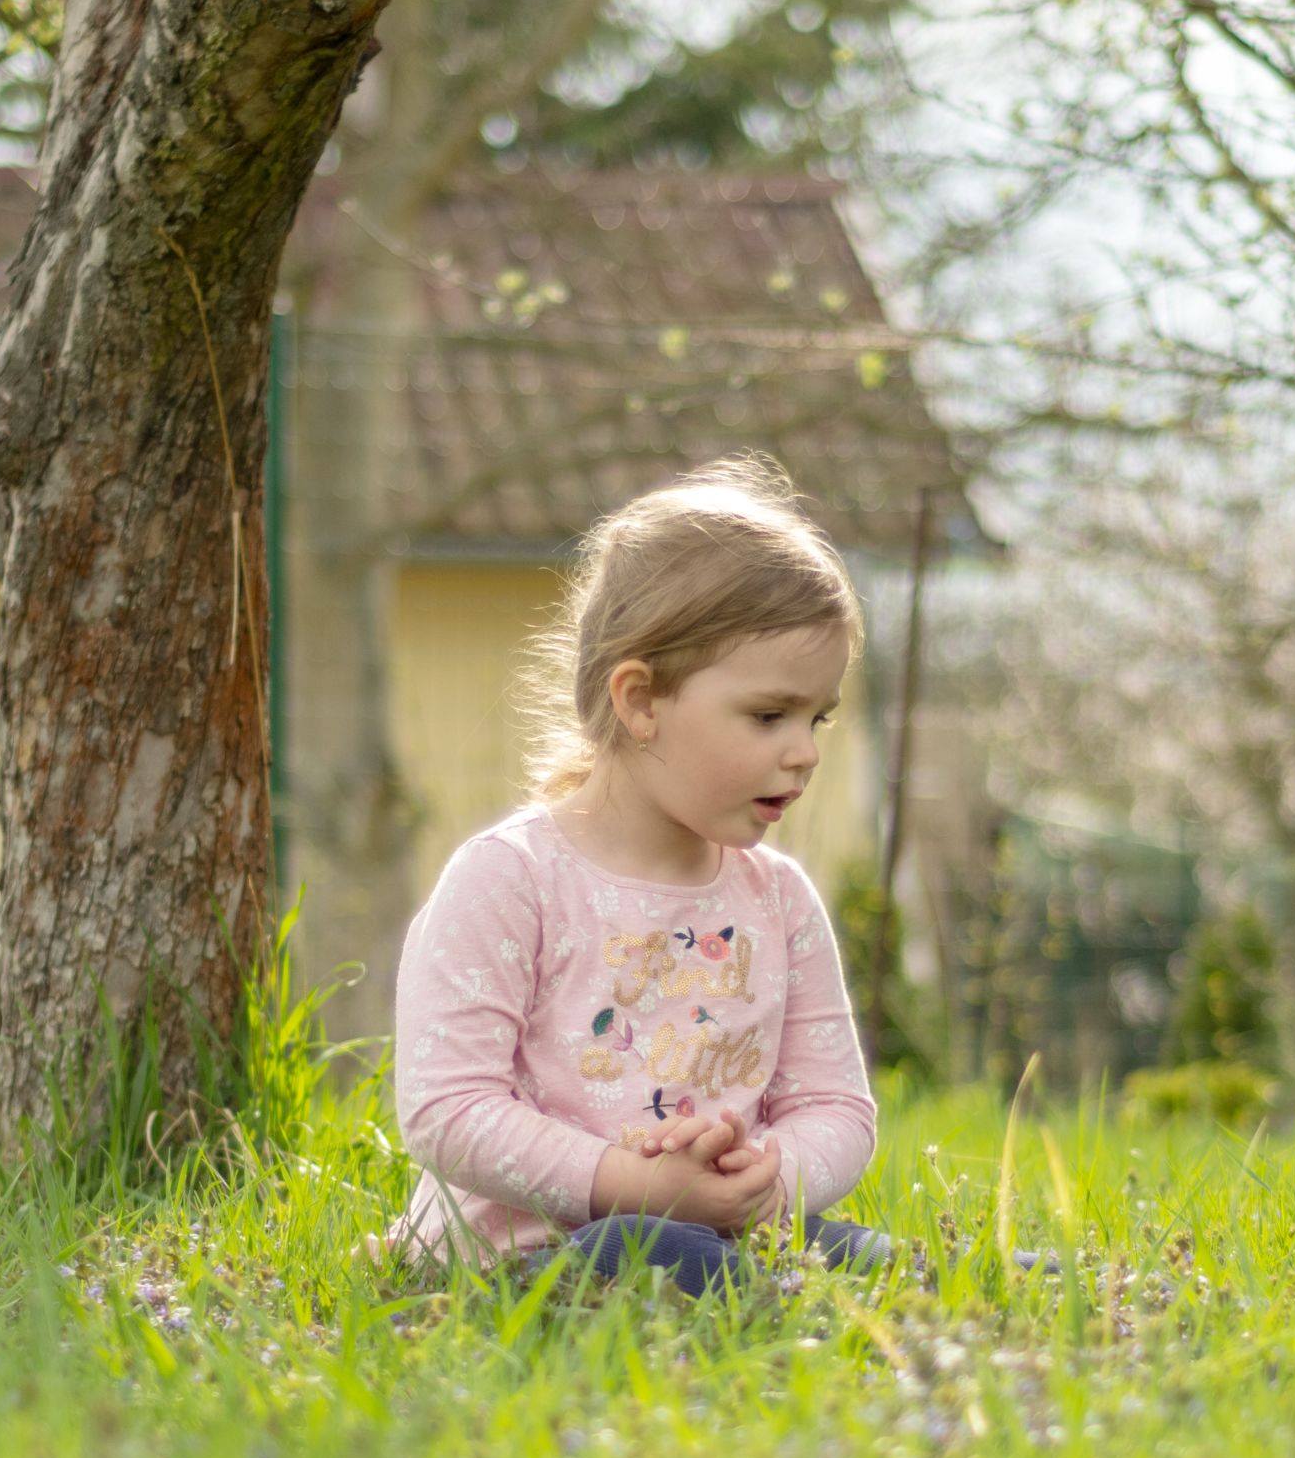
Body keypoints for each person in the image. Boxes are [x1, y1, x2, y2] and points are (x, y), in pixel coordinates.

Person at [370, 453, 1018, 1298]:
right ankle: (803, 1292)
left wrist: (769, 1178)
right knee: (647, 1247)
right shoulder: (512, 880)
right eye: (769, 715)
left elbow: (837, 1109)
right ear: (641, 701)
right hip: (519, 1256)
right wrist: (632, 1185)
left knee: (844, 1250)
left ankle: (949, 1283)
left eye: (818, 718)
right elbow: (447, 1110)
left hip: (719, 1229)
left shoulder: (777, 900)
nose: (805, 751)